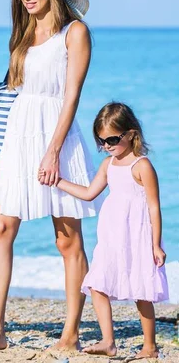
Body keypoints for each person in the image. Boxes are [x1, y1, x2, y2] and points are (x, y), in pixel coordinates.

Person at [0, 0, 100, 350]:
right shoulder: (23, 33)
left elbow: (72, 96)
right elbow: (13, 91)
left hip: (56, 138)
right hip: (17, 134)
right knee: (1, 228)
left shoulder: (75, 32)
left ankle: (71, 332)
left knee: (66, 239)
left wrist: (53, 151)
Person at [43, 102, 168, 359]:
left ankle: (150, 346)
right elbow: (89, 194)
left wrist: (156, 244)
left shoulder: (142, 166)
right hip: (112, 235)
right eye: (101, 142)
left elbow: (154, 208)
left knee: (141, 290)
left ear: (131, 133)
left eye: (112, 139)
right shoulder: (108, 165)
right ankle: (108, 341)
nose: (107, 146)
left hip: (137, 236)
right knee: (97, 285)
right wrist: (60, 182)